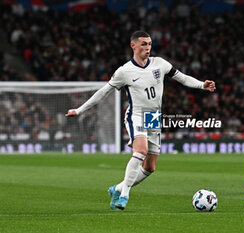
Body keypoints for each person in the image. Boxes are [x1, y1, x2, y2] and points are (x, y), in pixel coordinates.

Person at [65, 31, 216, 209]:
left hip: (153, 117)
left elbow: (182, 78)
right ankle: (124, 196)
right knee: (141, 150)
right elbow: (104, 92)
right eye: (144, 44)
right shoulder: (124, 71)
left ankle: (117, 188)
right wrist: (79, 109)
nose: (148, 48)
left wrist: (201, 85)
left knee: (150, 167)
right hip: (136, 115)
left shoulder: (160, 63)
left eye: (149, 44)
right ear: (133, 46)